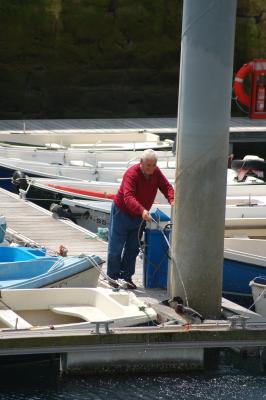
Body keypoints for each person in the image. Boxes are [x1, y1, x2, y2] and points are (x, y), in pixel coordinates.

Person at [107, 149, 175, 289]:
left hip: (139, 215)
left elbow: (166, 187)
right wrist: (142, 210)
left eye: (153, 165)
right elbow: (128, 197)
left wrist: (172, 199)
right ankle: (112, 276)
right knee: (116, 246)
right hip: (122, 212)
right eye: (148, 165)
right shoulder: (132, 173)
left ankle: (126, 277)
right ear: (141, 163)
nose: (151, 168)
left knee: (133, 247)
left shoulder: (156, 172)